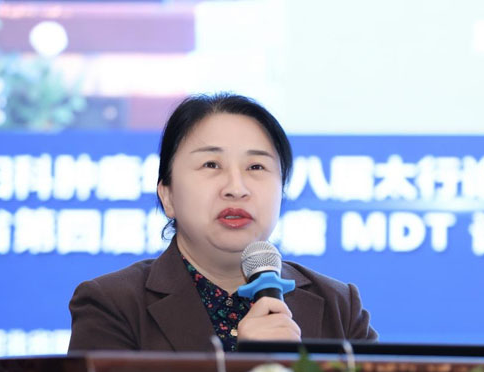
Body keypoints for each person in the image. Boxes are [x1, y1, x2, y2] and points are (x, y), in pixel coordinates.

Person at [68, 93, 377, 352]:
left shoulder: (339, 306)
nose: (236, 188)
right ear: (168, 196)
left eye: (256, 166)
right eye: (211, 164)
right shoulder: (112, 305)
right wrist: (247, 367)